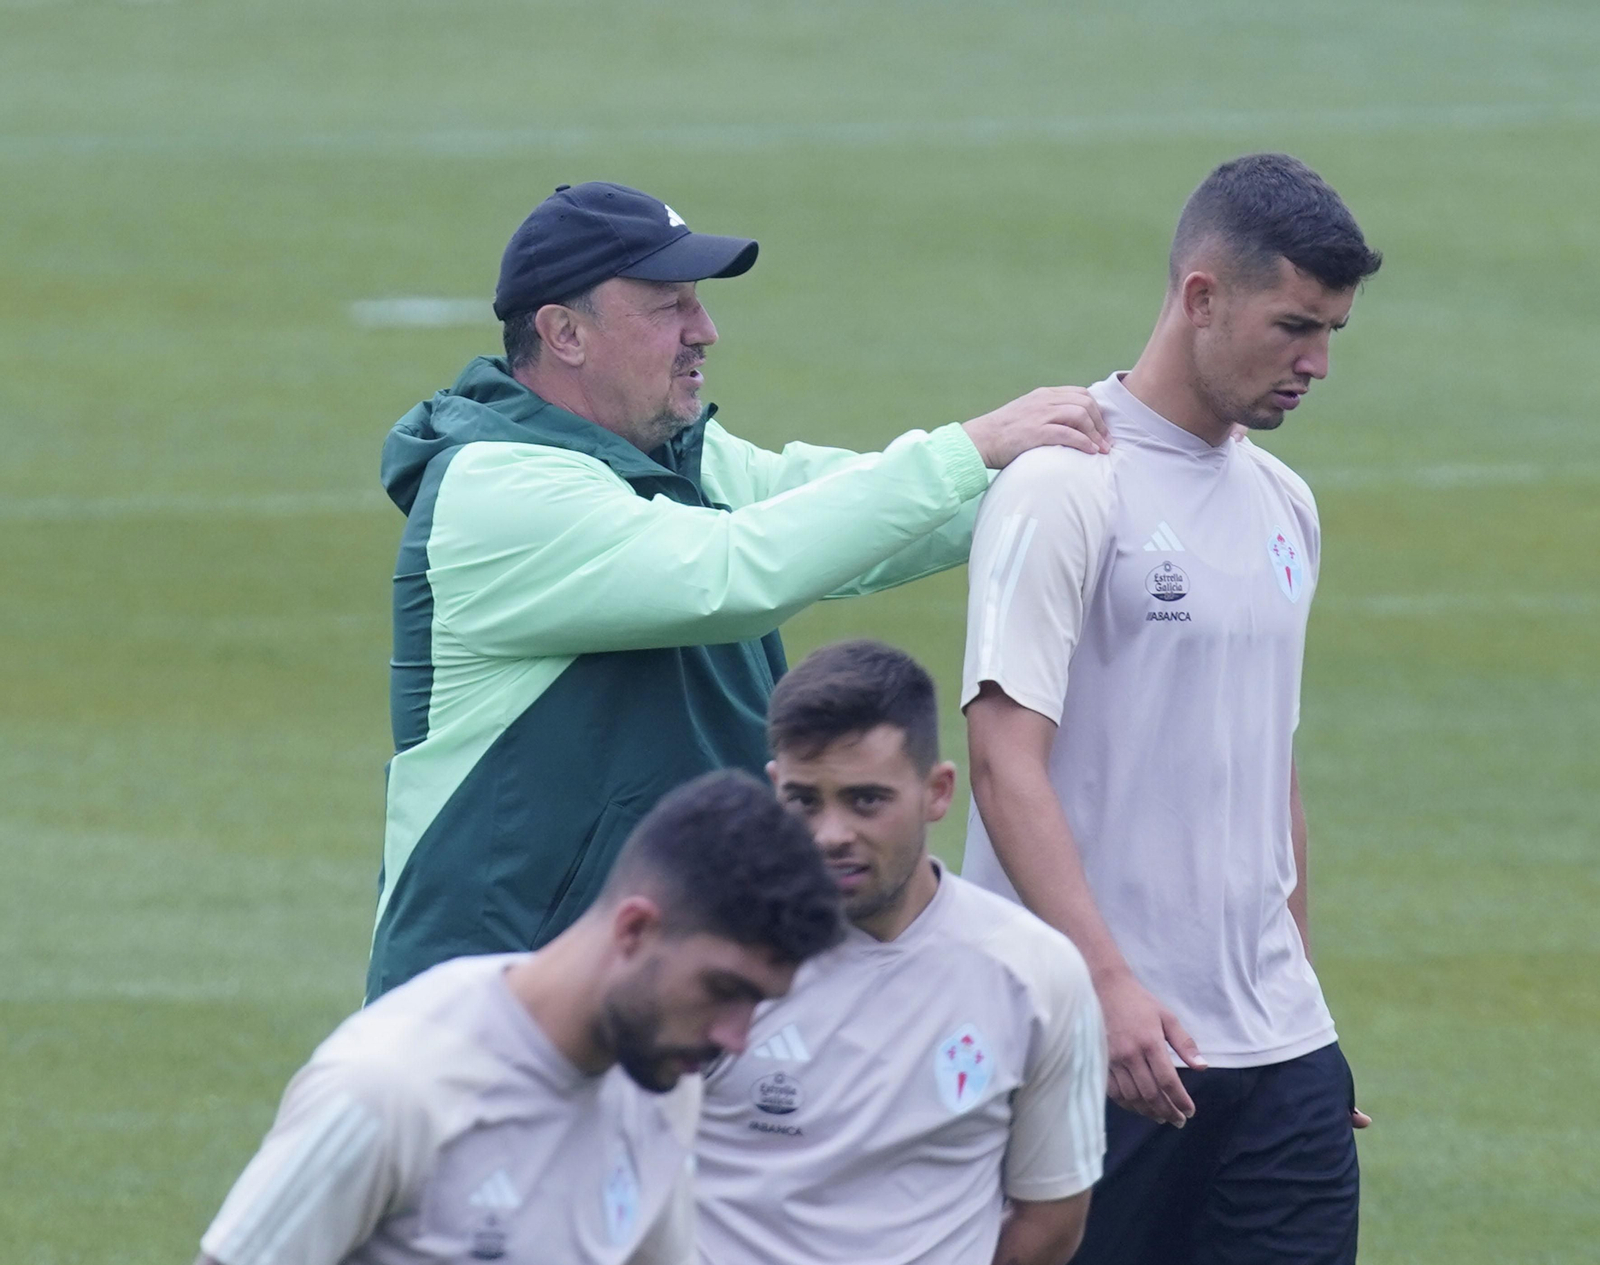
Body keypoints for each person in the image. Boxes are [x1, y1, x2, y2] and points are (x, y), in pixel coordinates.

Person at [368, 180, 1111, 1001]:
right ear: (565, 333)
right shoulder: (497, 488)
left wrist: (1075, 468)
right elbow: (736, 571)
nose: (704, 330)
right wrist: (969, 449)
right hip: (496, 1008)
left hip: (677, 991)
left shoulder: (684, 456)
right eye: (668, 306)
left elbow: (852, 524)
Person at [961, 152, 1383, 1264]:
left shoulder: (1286, 501)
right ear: (1202, 296)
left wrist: (1299, 1001)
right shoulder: (1065, 485)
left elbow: (1266, 765)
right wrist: (1105, 982)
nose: (1319, 362)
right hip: (1103, 1045)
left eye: (1332, 330)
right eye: (1295, 325)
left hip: (1279, 1055)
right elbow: (1004, 758)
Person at [195, 771, 841, 1265]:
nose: (735, 1037)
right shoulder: (390, 1085)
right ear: (636, 928)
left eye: (759, 1002)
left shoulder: (664, 1088)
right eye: (723, 988)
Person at [694, 640, 1107, 1265]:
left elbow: (1050, 1221)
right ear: (774, 788)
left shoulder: (1033, 971)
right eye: (805, 801)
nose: (831, 835)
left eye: (866, 800)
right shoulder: (705, 963)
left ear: (937, 791)